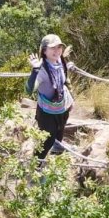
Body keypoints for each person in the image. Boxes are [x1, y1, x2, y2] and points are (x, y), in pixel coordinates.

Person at [28, 33, 75, 161]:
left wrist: (71, 99)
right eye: (52, 48)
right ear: (44, 50)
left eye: (59, 47)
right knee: (46, 141)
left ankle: (55, 160)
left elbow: (65, 81)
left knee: (59, 134)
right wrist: (35, 70)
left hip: (61, 107)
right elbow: (30, 90)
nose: (57, 51)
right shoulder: (42, 70)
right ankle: (36, 168)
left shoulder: (60, 61)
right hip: (47, 113)